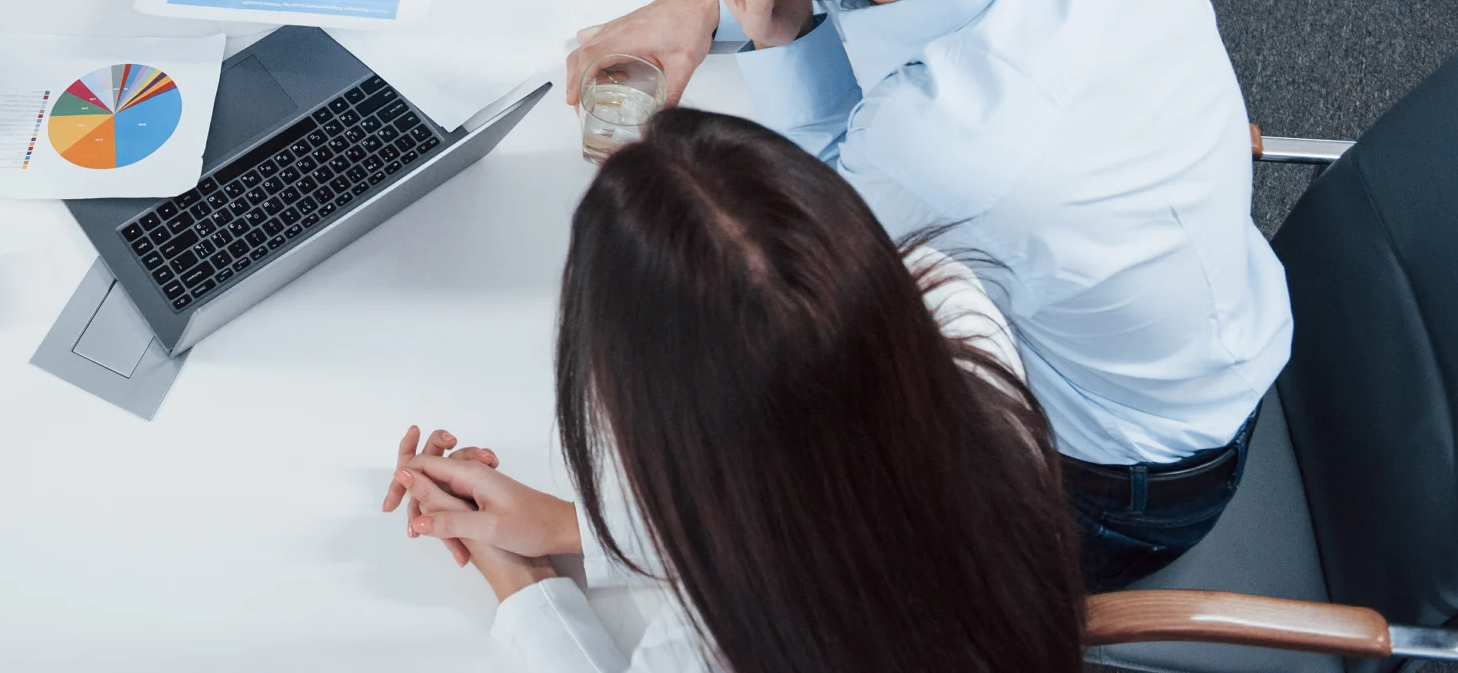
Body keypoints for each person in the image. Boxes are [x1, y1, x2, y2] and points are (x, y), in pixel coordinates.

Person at [570, 0, 1290, 586]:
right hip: (1220, 320)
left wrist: (779, 46)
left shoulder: (951, 145)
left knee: (756, 495)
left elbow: (813, 259)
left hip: (1118, 488)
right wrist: (698, 5)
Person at [381, 109, 1086, 673]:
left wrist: (525, 584)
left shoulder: (712, 644)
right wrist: (571, 527)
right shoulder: (951, 314)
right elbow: (811, 477)